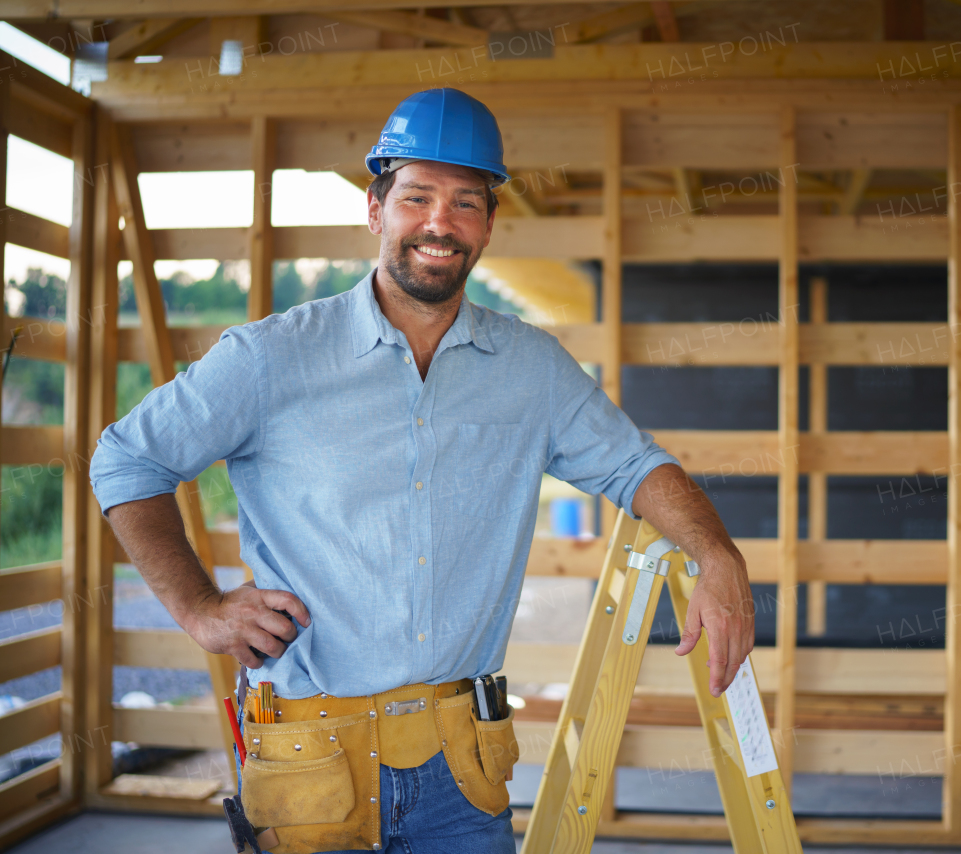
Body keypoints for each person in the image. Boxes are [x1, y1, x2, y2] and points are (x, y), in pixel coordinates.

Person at [89, 88, 753, 854]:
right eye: (417, 197)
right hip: (309, 755)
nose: (440, 223)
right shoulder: (272, 357)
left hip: (460, 764)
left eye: (466, 202)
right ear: (376, 209)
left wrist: (718, 553)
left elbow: (637, 466)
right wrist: (201, 607)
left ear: (489, 225)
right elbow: (128, 458)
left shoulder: (530, 368)